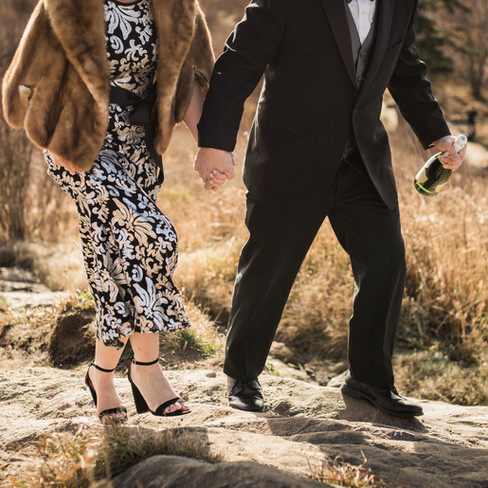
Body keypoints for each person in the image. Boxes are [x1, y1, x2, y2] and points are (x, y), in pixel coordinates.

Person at [194, 0, 466, 417]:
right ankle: (242, 375)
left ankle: (369, 381)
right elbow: (237, 63)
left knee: (386, 260)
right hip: (289, 158)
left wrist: (438, 135)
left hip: (363, 162)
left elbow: (406, 67)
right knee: (268, 268)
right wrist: (215, 143)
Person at [3, 0, 214, 422]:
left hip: (139, 145)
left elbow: (190, 78)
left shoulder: (178, 7)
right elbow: (23, 84)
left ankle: (104, 374)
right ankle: (145, 369)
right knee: (154, 235)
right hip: (79, 147)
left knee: (117, 259)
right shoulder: (65, 6)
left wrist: (208, 145)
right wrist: (52, 134)